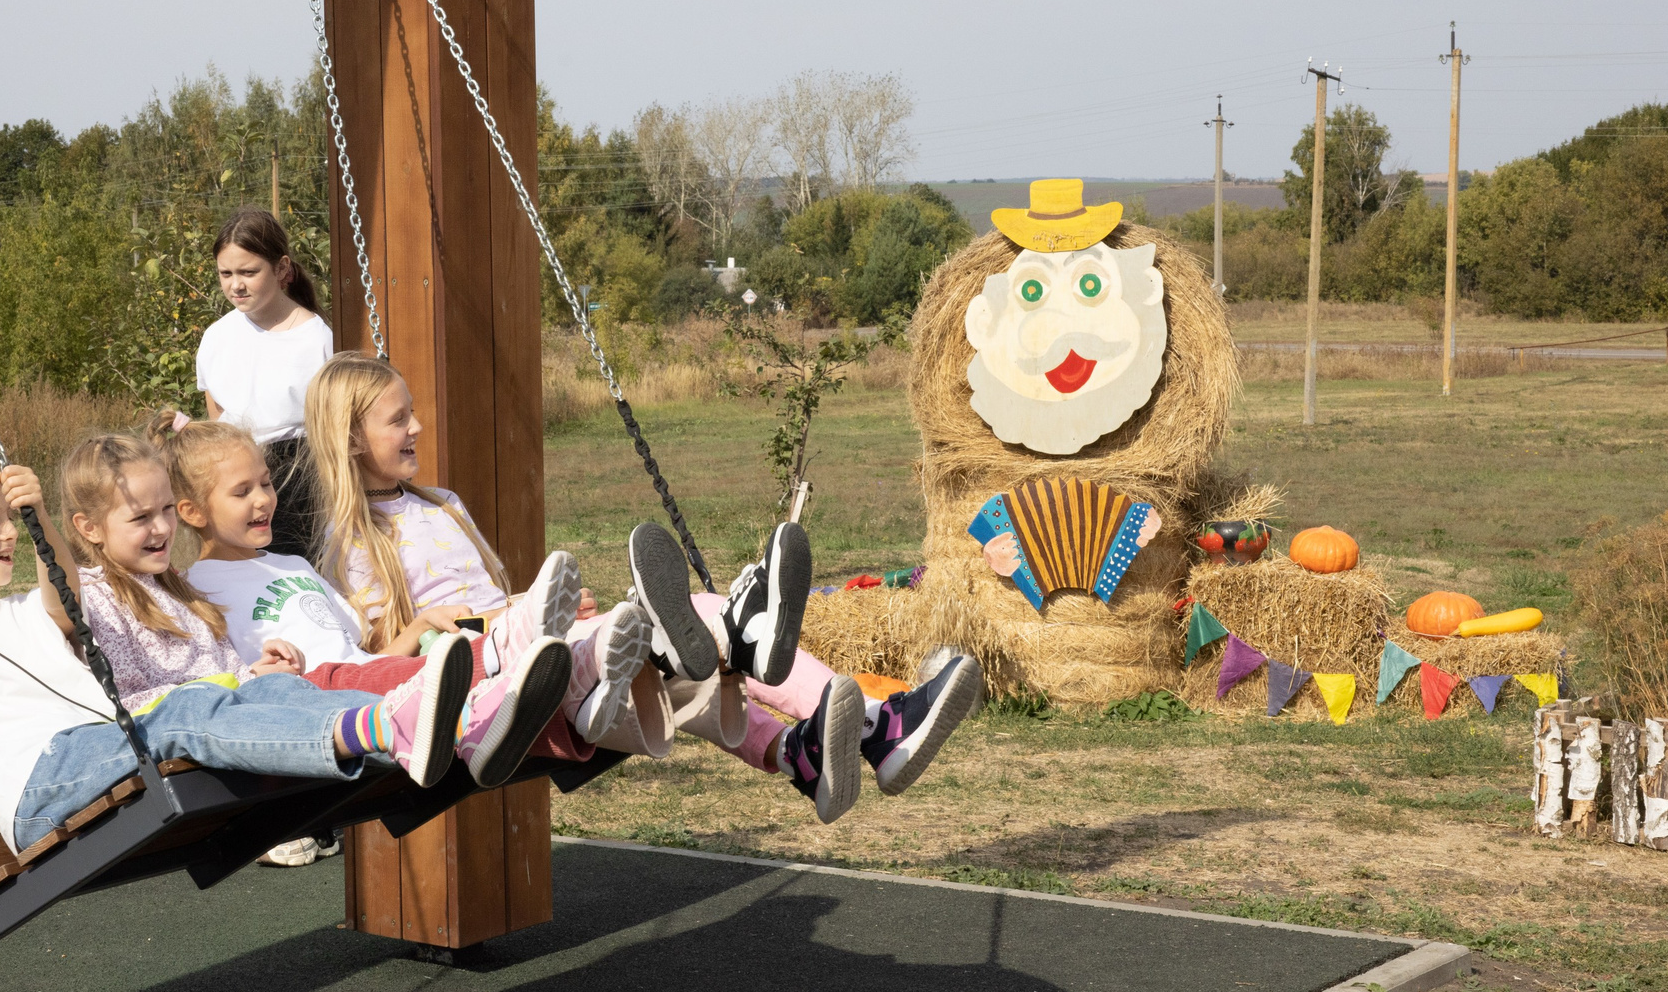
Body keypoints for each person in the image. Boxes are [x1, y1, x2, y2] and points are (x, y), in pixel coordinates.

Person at [305, 352, 985, 823]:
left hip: (528, 647)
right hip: (469, 682)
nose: (417, 426)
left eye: (412, 412)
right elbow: (367, 657)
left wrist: (542, 608)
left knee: (691, 645)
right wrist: (426, 620)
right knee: (701, 632)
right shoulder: (347, 540)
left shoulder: (443, 503)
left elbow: (498, 595)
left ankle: (827, 723)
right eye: (398, 419)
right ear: (352, 438)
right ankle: (862, 721)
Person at [0, 435, 478, 861]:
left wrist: (35, 509)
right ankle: (394, 726)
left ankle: (452, 717)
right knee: (185, 709)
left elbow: (63, 586)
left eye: (6, 522)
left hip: (94, 753)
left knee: (252, 688)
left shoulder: (24, 613)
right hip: (41, 787)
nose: (7, 536)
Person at [59, 430, 573, 818]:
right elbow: (61, 602)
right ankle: (505, 654)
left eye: (166, 510)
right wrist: (33, 512)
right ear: (88, 528)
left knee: (421, 670)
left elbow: (344, 652)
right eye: (243, 491)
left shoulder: (189, 585)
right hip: (307, 690)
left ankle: (574, 683)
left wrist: (259, 669)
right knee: (383, 686)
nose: (162, 527)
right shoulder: (176, 584)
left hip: (336, 677)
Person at [197, 209, 334, 561]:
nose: (235, 285)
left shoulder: (316, 339)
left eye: (248, 272)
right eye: (225, 273)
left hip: (297, 482)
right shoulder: (217, 336)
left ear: (282, 268)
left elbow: (331, 429)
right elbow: (217, 416)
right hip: (229, 478)